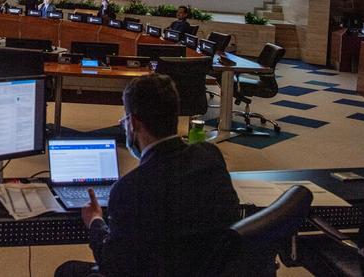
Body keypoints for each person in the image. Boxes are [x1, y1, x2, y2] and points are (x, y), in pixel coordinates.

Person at [55, 74, 240, 277]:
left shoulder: (130, 188)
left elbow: (113, 266)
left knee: (67, 271)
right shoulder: (210, 156)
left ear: (133, 123)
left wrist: (95, 221)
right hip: (202, 269)